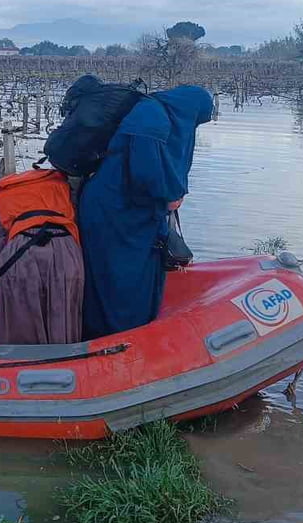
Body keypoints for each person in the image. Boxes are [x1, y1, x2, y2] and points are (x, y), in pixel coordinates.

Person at [79, 85, 213, 338]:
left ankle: (134, 328)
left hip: (133, 210)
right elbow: (144, 172)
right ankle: (114, 334)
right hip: (114, 211)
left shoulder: (160, 116)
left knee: (139, 271)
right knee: (117, 274)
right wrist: (168, 197)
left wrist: (169, 195)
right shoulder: (150, 118)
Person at [0, 172, 85, 346]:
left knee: (20, 324)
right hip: (66, 253)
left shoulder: (7, 193)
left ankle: (17, 364)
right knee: (63, 317)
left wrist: (11, 246)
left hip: (20, 255)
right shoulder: (65, 191)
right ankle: (64, 363)